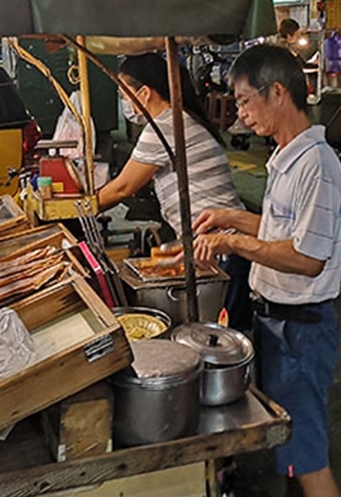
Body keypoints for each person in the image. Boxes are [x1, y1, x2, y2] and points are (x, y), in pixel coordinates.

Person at [193, 44, 341, 497]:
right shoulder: (285, 156)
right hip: (274, 324)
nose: (239, 112)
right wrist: (232, 218)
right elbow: (282, 231)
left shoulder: (317, 165)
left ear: (278, 91)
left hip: (300, 330)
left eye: (243, 100)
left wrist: (234, 242)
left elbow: (306, 257)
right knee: (293, 454)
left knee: (310, 462)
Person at [95, 52, 252, 329]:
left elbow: (122, 188)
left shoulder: (166, 125)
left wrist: (81, 207)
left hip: (225, 249)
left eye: (123, 93)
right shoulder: (178, 119)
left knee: (225, 338)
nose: (123, 103)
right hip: (218, 247)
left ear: (144, 93)